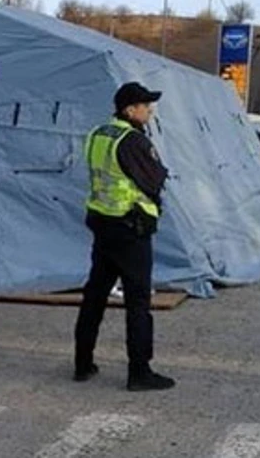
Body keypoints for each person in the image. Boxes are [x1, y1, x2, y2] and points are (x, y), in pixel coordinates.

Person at [74, 81, 175, 391]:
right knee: (138, 302)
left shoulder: (98, 134)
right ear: (130, 110)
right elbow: (155, 179)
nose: (150, 111)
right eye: (146, 106)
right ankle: (139, 372)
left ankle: (82, 363)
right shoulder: (132, 141)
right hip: (130, 228)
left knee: (95, 296)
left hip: (102, 222)